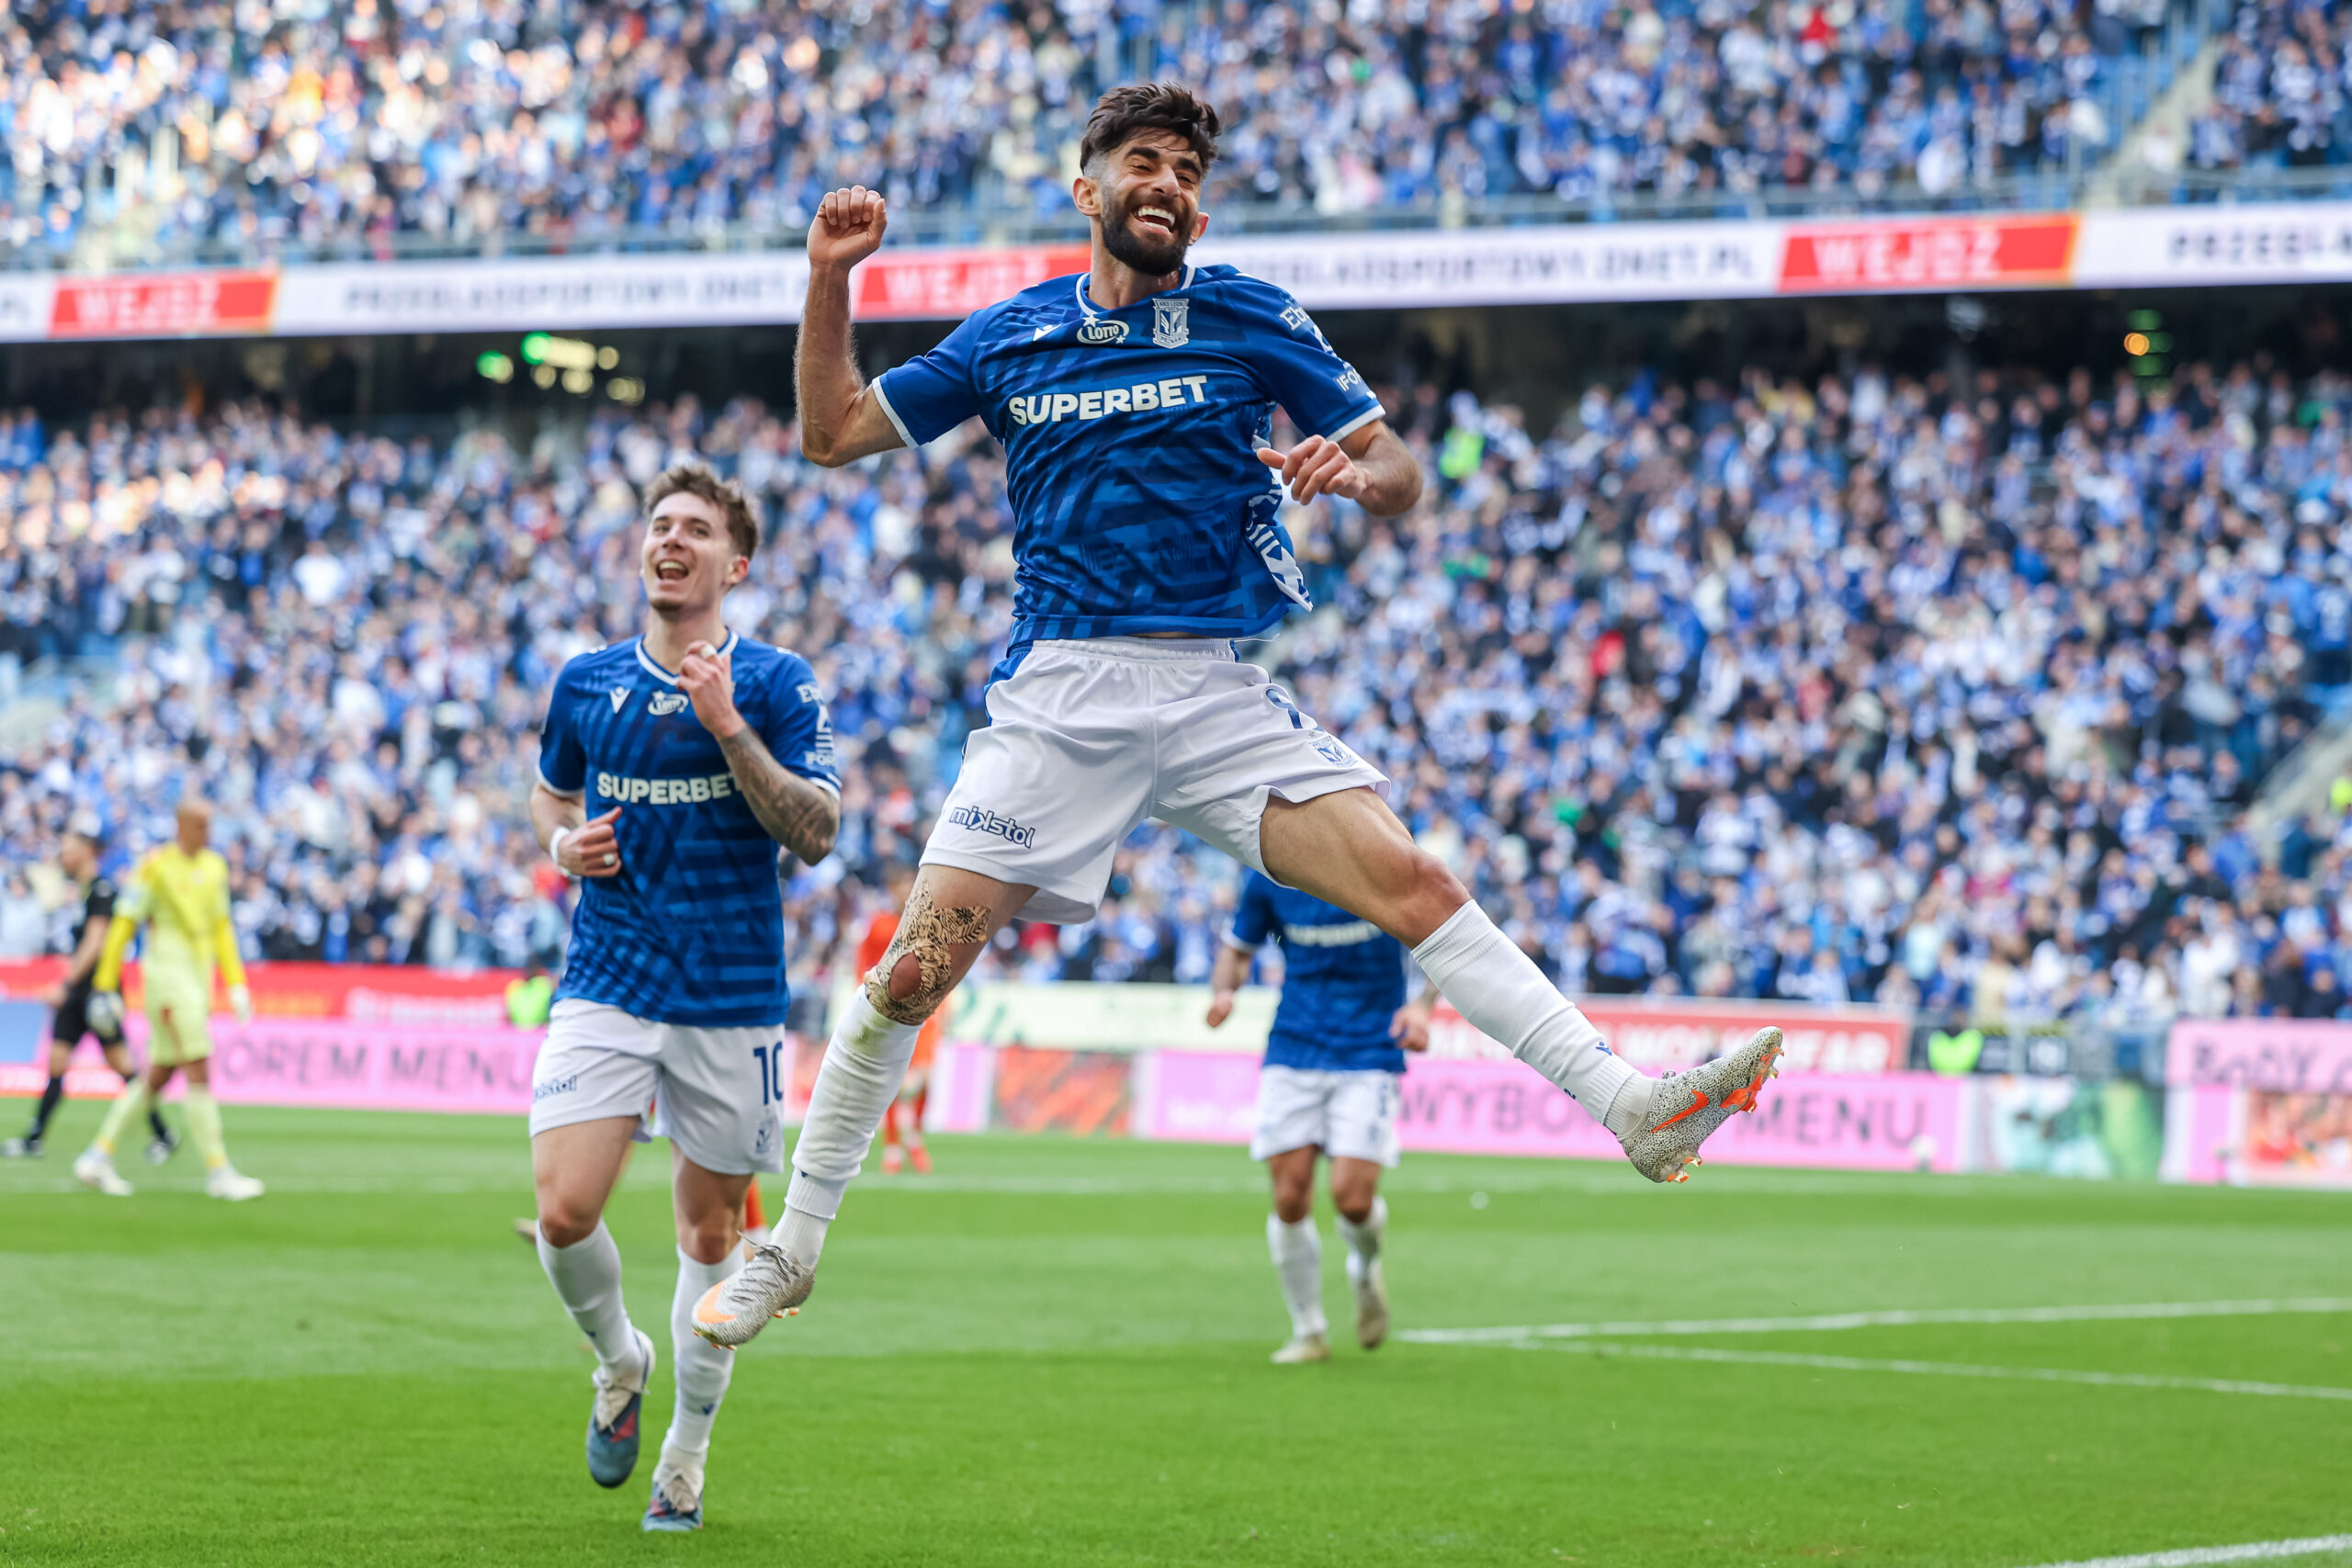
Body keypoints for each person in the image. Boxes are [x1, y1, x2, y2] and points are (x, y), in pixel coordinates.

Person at [693, 84, 1781, 1349]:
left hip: (1210, 689)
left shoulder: (1251, 315)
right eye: (1142, 161)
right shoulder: (1009, 335)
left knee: (1416, 882)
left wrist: (1351, 470)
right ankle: (793, 1248)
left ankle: (1633, 1109)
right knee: (910, 974)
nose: (1168, 181)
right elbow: (830, 433)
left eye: (1187, 171)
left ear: (1199, 211)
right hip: (1060, 696)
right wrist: (831, 278)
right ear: (1087, 187)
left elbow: (1398, 471)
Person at [523, 463, 840, 1533]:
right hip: (608, 978)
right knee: (563, 1211)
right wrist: (562, 845)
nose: (671, 540)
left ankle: (685, 1458)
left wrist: (727, 726)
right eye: (661, 525)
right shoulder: (587, 682)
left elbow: (816, 832)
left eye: (696, 530)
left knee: (709, 1240)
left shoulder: (779, 683)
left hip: (731, 998)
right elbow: (549, 793)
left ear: (733, 567)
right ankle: (620, 1361)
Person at [1207, 871, 1433, 1364]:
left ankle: (1365, 1267)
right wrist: (1224, 992)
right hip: (1294, 1046)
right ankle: (1308, 1330)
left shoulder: (1378, 861)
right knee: (1289, 1197)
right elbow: (1237, 950)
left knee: (1352, 1199)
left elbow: (1442, 933)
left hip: (1371, 1049)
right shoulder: (1269, 874)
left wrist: (1421, 1007)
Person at [70, 800, 263, 1201]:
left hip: (198, 981)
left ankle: (97, 1155)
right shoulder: (155, 867)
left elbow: (222, 928)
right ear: (182, 825)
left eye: (209, 825)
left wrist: (236, 983)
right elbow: (124, 923)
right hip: (168, 982)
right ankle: (218, 1171)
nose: (207, 832)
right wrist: (105, 984)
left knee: (157, 1075)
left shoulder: (215, 868)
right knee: (198, 1067)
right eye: (200, 825)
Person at [4, 817, 175, 1162]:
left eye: (68, 850)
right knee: (56, 1061)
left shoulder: (102, 891)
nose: (63, 856)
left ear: (85, 852)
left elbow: (96, 944)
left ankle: (163, 1134)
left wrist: (65, 983)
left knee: (122, 1066)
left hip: (97, 993)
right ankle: (35, 1138)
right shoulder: (80, 893)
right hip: (77, 993)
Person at [855, 864, 943, 1175]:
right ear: (891, 889)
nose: (907, 890)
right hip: (889, 1010)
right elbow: (862, 964)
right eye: (902, 884)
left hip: (925, 1008)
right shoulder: (879, 924)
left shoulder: (927, 921)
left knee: (925, 1079)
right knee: (893, 1078)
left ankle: (915, 1136)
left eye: (911, 884)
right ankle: (893, 1145)